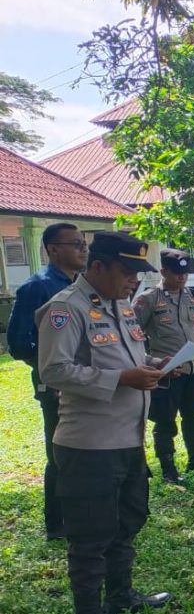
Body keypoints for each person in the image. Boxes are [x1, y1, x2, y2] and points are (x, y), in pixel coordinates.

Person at [37, 231, 173, 614]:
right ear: (98, 267)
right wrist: (122, 379)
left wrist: (154, 364)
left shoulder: (121, 306)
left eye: (137, 272)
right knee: (90, 534)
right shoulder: (65, 309)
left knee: (127, 521)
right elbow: (54, 371)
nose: (134, 280)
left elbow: (128, 358)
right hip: (89, 444)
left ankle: (119, 596)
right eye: (127, 271)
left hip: (128, 438)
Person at [6, 223, 90, 540]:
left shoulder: (83, 285)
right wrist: (48, 365)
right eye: (75, 243)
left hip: (84, 380)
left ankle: (82, 513)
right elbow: (17, 342)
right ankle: (57, 524)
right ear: (53, 249)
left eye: (84, 243)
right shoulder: (37, 287)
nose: (83, 249)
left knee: (84, 450)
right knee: (59, 454)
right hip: (54, 386)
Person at [133, 248, 194, 484]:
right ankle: (168, 469)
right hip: (167, 371)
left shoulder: (192, 295)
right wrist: (148, 362)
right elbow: (132, 336)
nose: (181, 277)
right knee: (165, 420)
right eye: (176, 273)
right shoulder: (148, 299)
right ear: (163, 271)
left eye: (185, 273)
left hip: (193, 368)